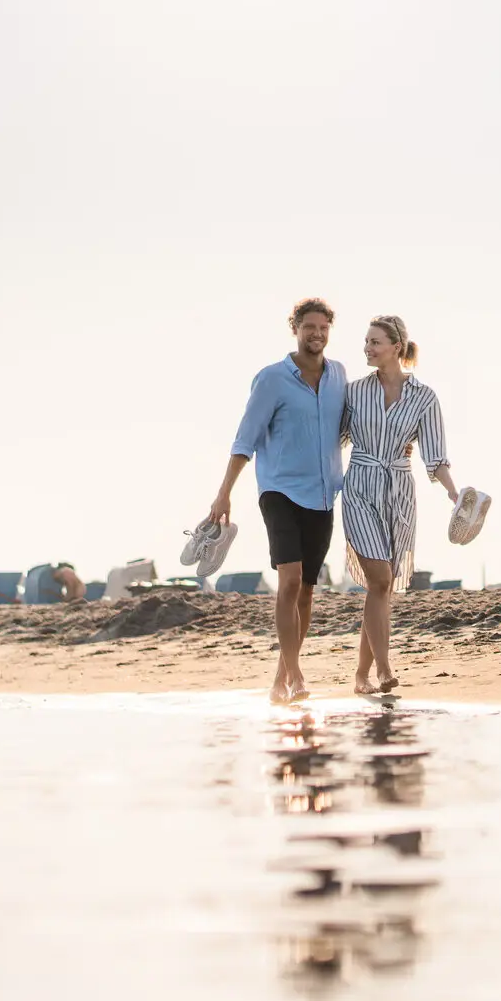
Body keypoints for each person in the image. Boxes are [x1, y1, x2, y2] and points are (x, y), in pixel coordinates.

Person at [206, 299, 349, 704]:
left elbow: (351, 425)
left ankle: (279, 679)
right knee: (288, 582)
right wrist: (224, 492)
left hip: (323, 494)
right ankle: (298, 676)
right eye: (309, 327)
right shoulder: (271, 379)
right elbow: (245, 439)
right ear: (295, 328)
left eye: (323, 327)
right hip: (279, 491)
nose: (316, 334)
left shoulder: (338, 375)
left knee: (306, 590)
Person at [341, 315, 459, 694]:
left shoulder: (425, 397)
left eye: (375, 342)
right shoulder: (354, 392)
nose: (367, 348)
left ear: (396, 346)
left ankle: (360, 675)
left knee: (381, 588)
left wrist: (454, 494)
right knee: (379, 580)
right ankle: (384, 669)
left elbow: (436, 456)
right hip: (359, 486)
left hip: (399, 491)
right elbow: (331, 439)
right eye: (366, 342)